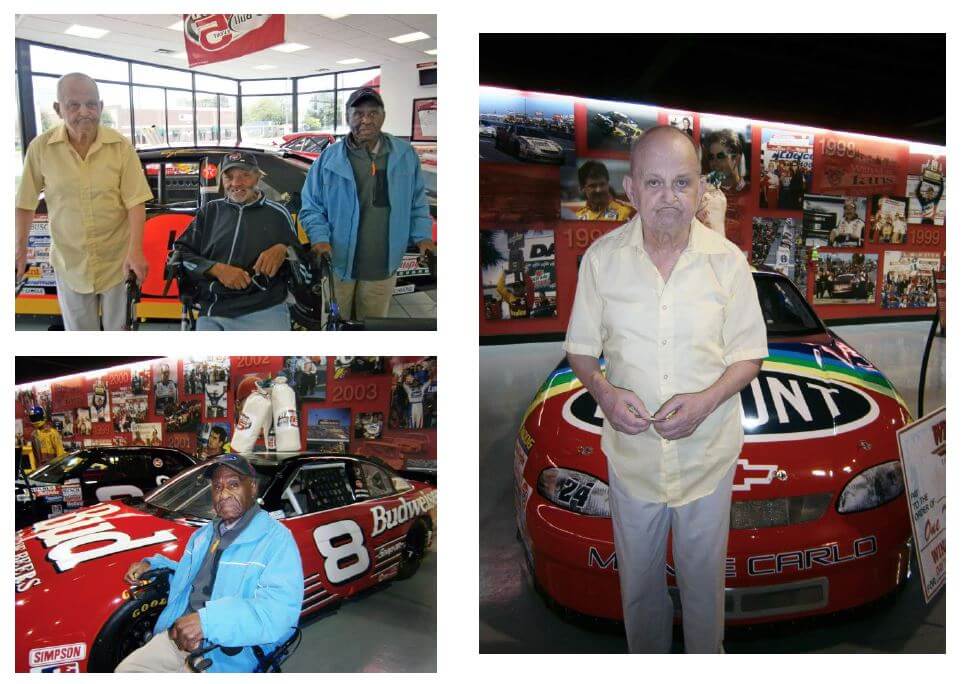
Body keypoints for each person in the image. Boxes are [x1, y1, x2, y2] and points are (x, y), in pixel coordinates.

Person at [564, 126, 767, 653]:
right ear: (630, 190)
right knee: (639, 591)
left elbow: (749, 355)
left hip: (707, 460)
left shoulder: (729, 264)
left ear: (701, 190)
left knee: (704, 593)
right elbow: (581, 350)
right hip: (632, 462)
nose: (669, 197)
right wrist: (605, 393)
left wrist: (706, 402)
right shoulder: (601, 261)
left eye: (681, 183)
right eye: (654, 183)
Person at [117, 454, 302, 672]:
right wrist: (155, 565)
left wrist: (208, 622)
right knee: (126, 671)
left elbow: (277, 612)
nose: (224, 494)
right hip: (181, 635)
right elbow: (194, 577)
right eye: (217, 487)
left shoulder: (277, 540)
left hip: (225, 652)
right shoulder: (205, 535)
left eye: (233, 484)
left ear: (252, 487)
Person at [15, 73, 153, 330]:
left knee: (119, 336)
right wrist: (19, 250)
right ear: (58, 109)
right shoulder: (40, 148)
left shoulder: (121, 146)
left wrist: (135, 251)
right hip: (70, 263)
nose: (84, 112)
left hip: (117, 262)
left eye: (91, 104)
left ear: (100, 107)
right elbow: (25, 203)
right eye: (73, 105)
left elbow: (136, 201)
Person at [299, 87, 435, 320]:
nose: (366, 120)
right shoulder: (327, 160)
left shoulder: (404, 155)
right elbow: (311, 207)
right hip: (337, 265)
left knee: (372, 329)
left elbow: (417, 203)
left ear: (383, 116)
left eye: (373, 113)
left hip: (383, 263)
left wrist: (423, 238)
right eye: (358, 113)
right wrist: (320, 239)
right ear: (347, 116)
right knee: (337, 324)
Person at [174, 152, 302, 331]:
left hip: (265, 307)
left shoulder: (278, 214)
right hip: (214, 309)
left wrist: (284, 250)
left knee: (271, 359)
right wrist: (217, 269)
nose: (236, 183)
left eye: (245, 175)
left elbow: (304, 264)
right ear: (222, 180)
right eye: (229, 176)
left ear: (257, 177)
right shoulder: (209, 211)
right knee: (206, 360)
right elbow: (179, 254)